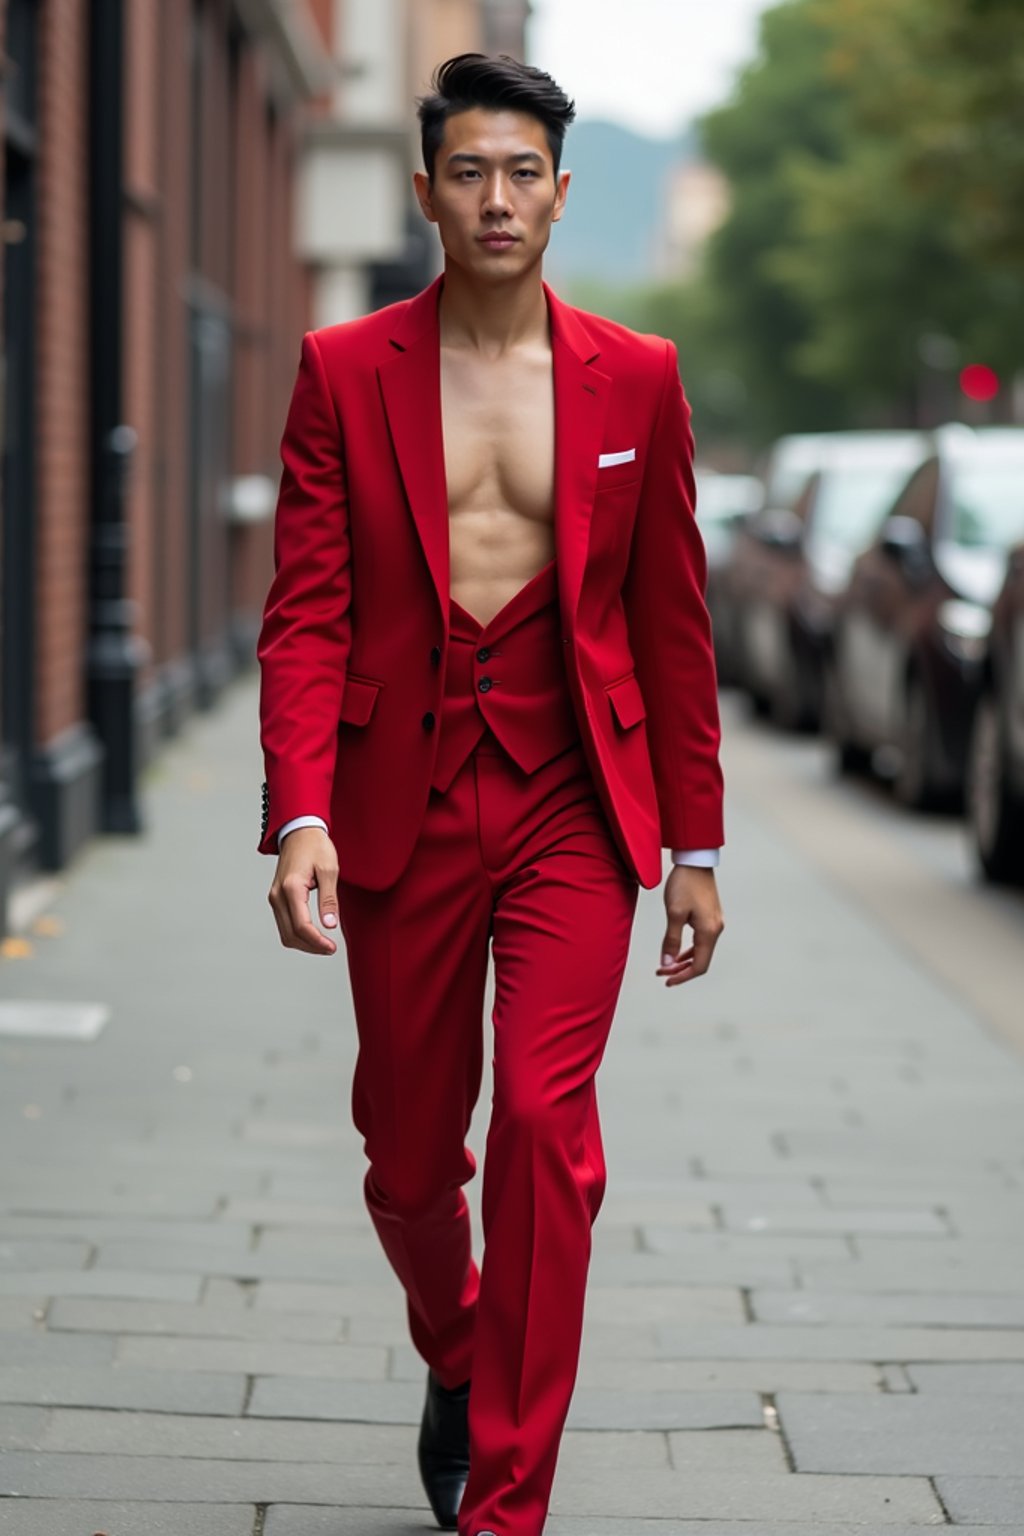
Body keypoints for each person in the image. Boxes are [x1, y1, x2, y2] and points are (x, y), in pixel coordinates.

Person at [257, 52, 725, 1536]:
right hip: (401, 796)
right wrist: (300, 811)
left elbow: (675, 625)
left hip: (577, 803)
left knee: (541, 1121)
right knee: (406, 1157)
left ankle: (506, 1500)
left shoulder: (636, 378)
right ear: (426, 195)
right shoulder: (345, 371)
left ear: (564, 195)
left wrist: (696, 843)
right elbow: (306, 614)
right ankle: (458, 1346)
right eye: (471, 171)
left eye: (524, 172)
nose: (499, 197)